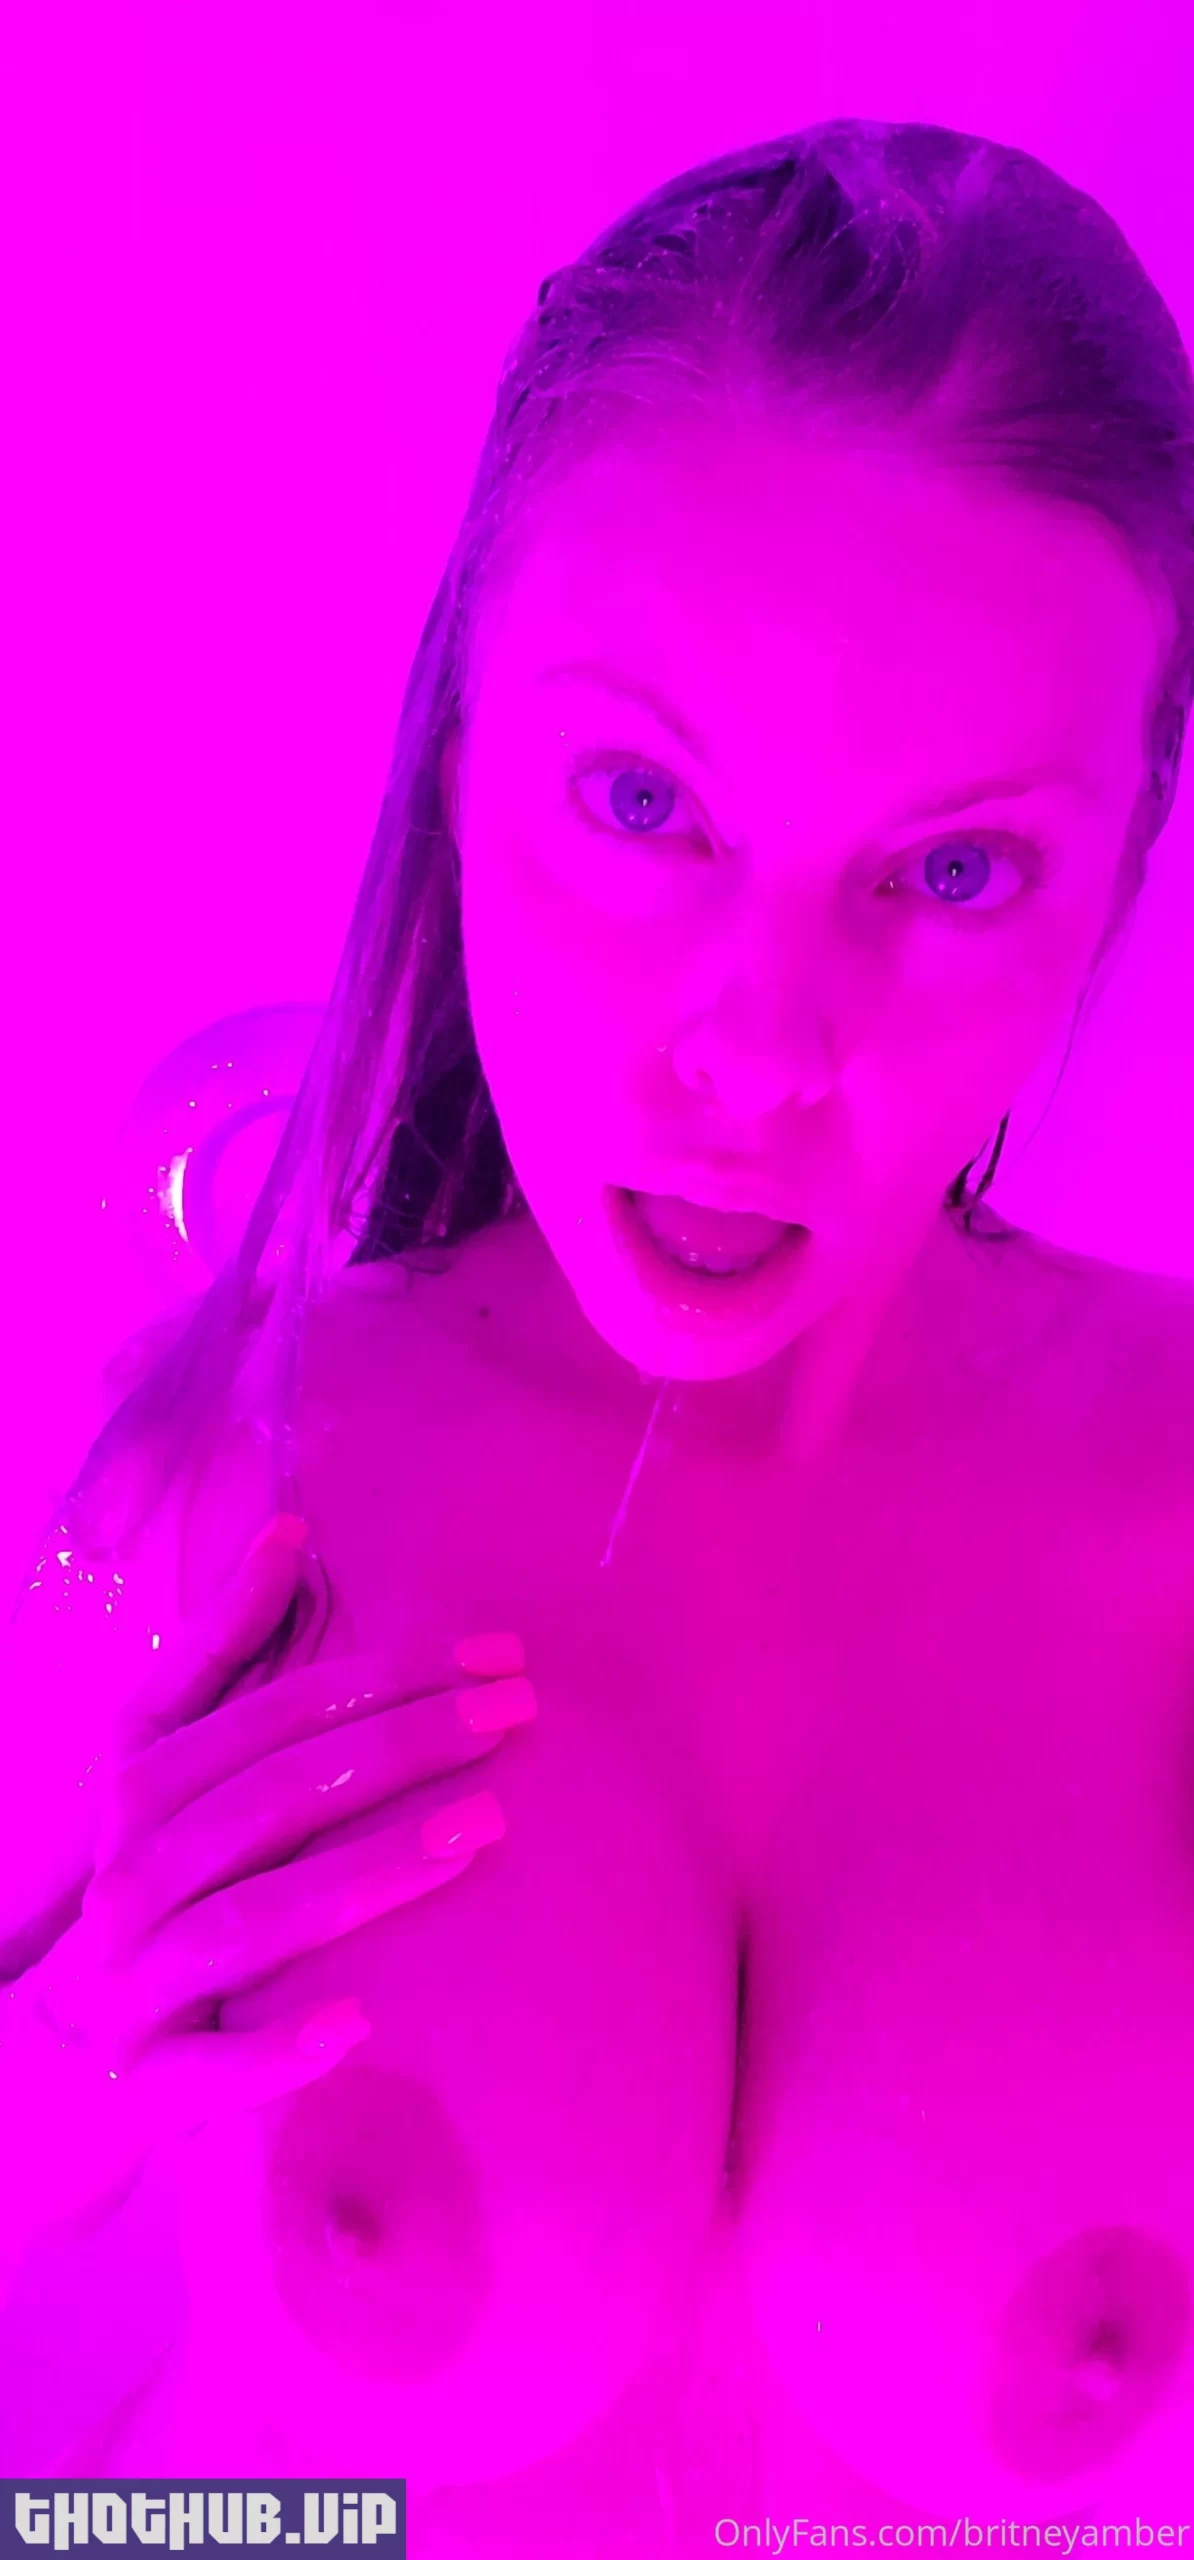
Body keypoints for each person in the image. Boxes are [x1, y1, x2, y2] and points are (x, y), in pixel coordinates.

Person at [3, 115, 1194, 2544]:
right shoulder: (199, 1480)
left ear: (1117, 881)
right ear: (458, 751)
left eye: (956, 867)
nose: (759, 1051)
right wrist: (70, 2059)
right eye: (644, 800)